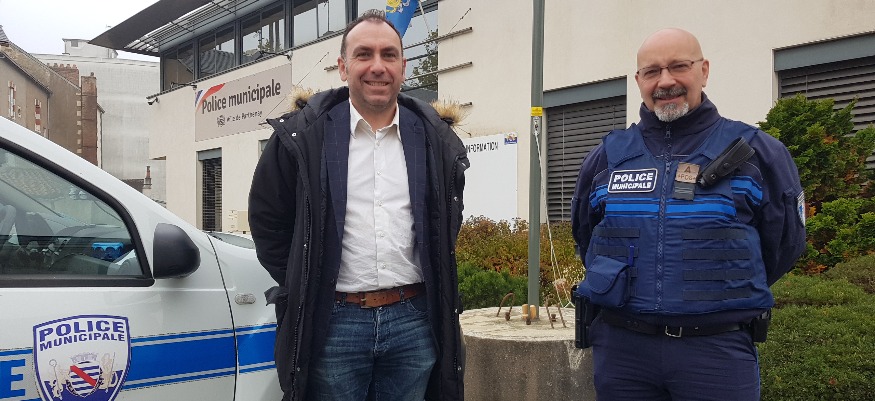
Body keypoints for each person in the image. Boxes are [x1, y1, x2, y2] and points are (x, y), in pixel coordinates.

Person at [571, 28, 807, 400]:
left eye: (678, 66)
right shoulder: (606, 158)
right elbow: (587, 238)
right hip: (623, 354)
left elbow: (784, 246)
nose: (665, 81)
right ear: (639, 80)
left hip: (716, 354)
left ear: (704, 71)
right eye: (652, 71)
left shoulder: (757, 153)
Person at [248, 9, 468, 401]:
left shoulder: (434, 139)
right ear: (343, 67)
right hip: (333, 321)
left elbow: (447, 221)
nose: (377, 66)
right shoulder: (303, 137)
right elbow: (268, 222)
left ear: (403, 67)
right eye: (364, 54)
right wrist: (305, 278)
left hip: (414, 322)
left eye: (389, 55)